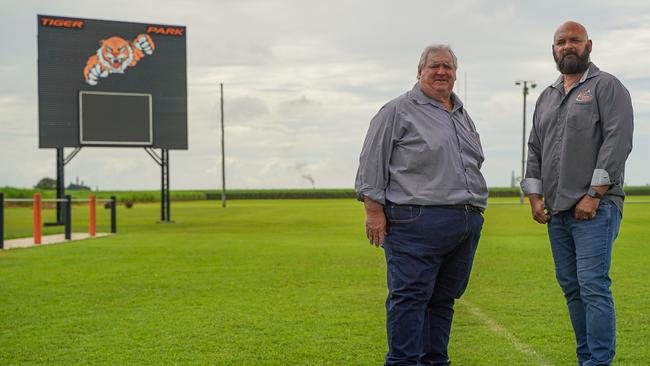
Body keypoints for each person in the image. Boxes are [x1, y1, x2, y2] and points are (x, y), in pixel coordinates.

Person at [355, 44, 488, 366]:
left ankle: (435, 361)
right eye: (434, 66)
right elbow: (372, 163)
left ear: (455, 73)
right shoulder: (397, 111)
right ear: (420, 72)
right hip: (417, 221)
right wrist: (374, 212)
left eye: (448, 67)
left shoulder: (461, 115)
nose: (442, 72)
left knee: (443, 300)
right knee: (410, 299)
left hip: (464, 221)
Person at [522, 21, 633, 366]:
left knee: (593, 285)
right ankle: (586, 357)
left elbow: (617, 141)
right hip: (557, 213)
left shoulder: (606, 87)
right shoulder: (546, 96)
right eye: (561, 42)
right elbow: (535, 149)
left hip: (595, 210)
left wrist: (595, 194)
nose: (568, 46)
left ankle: (598, 361)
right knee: (571, 286)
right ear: (553, 49)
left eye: (574, 40)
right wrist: (535, 195)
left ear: (589, 45)